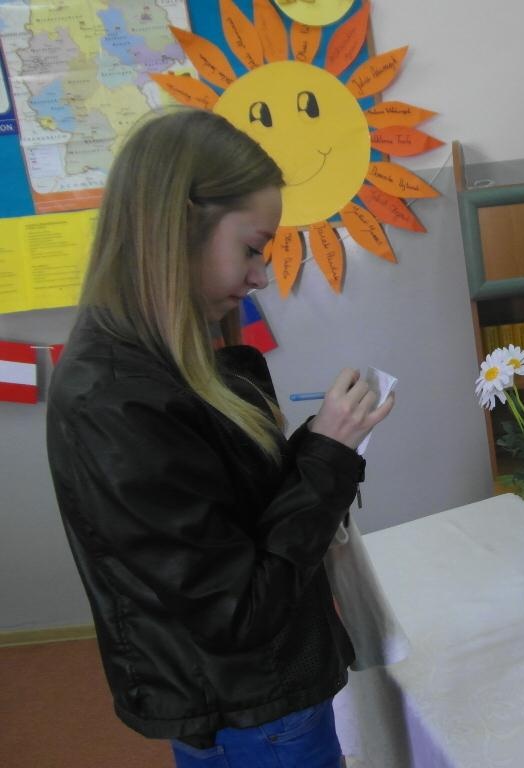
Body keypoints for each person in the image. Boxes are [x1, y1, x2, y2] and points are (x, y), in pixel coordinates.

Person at [46, 108, 394, 767]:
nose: (261, 275)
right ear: (181, 227)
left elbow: (239, 514)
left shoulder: (167, 361)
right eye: (253, 248)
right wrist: (326, 457)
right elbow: (239, 612)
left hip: (260, 698)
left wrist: (321, 441)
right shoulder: (118, 401)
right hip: (252, 713)